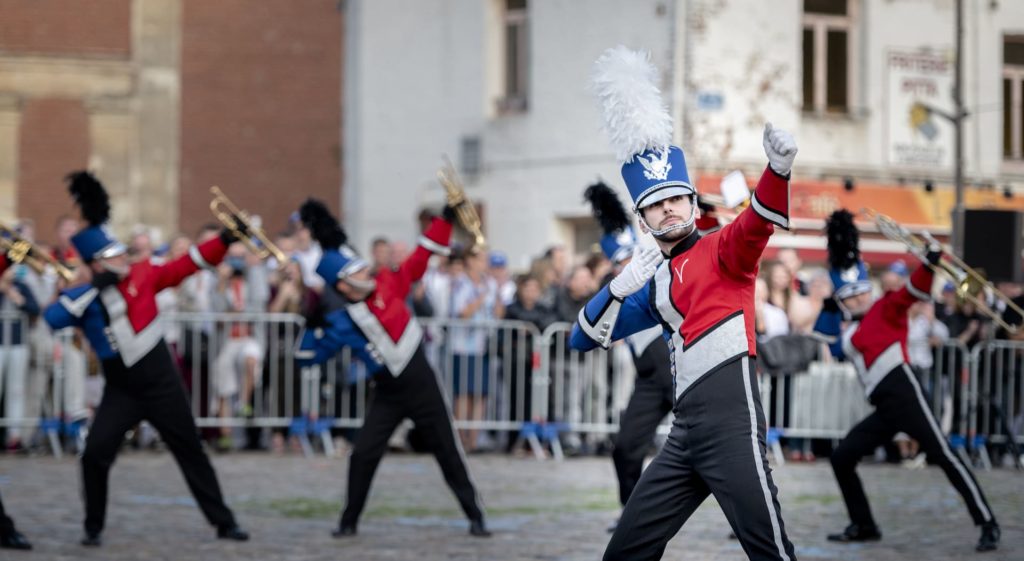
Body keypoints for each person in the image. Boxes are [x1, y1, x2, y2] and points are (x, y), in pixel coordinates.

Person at [575, 46, 798, 561]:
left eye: (677, 197)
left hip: (732, 433)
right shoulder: (652, 283)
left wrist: (778, 170)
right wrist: (619, 285)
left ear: (694, 203)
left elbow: (757, 223)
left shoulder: (724, 250)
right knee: (624, 554)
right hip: (682, 440)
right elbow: (581, 337)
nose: (669, 208)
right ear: (644, 218)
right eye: (656, 204)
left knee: (771, 555)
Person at [42, 171, 249, 546]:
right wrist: (91, 289)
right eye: (115, 254)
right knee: (94, 456)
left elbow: (184, 265)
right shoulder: (85, 295)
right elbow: (53, 317)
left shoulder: (143, 274)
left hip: (162, 385)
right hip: (121, 390)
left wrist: (225, 238)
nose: (125, 256)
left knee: (191, 452)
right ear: (99, 262)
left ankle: (225, 522)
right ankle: (93, 526)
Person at [294, 199, 489, 538]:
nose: (365, 271)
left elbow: (421, 255)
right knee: (363, 455)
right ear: (343, 285)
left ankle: (475, 515)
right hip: (387, 393)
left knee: (448, 451)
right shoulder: (340, 322)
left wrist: (444, 218)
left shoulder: (388, 281)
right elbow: (305, 358)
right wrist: (310, 322)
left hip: (423, 385)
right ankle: (348, 522)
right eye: (356, 272)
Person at [827, 245, 1000, 551]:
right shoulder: (847, 330)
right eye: (850, 296)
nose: (859, 299)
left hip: (905, 394)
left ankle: (988, 523)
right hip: (883, 406)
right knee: (842, 457)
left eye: (862, 292)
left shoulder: (884, 307)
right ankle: (864, 525)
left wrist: (929, 266)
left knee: (944, 456)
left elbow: (911, 292)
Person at [582, 180, 673, 523]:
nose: (626, 266)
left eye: (629, 259)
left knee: (708, 443)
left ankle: (744, 512)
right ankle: (632, 518)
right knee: (625, 448)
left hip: (670, 361)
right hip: (647, 374)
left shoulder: (655, 270)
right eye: (619, 262)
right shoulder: (615, 288)